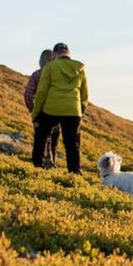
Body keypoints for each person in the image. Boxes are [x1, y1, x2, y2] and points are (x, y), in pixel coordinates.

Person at [31, 43, 89, 174]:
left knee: (41, 136)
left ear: (55, 54)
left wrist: (36, 113)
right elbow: (84, 94)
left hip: (51, 108)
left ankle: (37, 167)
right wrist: (81, 110)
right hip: (73, 110)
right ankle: (74, 173)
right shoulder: (80, 69)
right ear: (68, 53)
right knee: (72, 144)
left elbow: (41, 92)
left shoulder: (50, 67)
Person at [24, 49, 60, 168]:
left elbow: (28, 94)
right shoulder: (58, 75)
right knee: (53, 142)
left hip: (41, 112)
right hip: (57, 112)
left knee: (40, 140)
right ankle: (52, 163)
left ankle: (39, 164)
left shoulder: (37, 74)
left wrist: (33, 110)